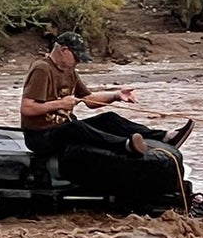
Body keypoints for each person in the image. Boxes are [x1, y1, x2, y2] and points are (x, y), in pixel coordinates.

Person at [19, 31, 194, 157]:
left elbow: (88, 100)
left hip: (62, 129)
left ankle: (165, 136)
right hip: (40, 137)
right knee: (76, 127)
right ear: (64, 50)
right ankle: (126, 145)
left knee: (108, 118)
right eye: (77, 57)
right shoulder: (42, 69)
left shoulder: (70, 70)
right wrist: (60, 104)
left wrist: (116, 95)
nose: (78, 61)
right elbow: (27, 108)